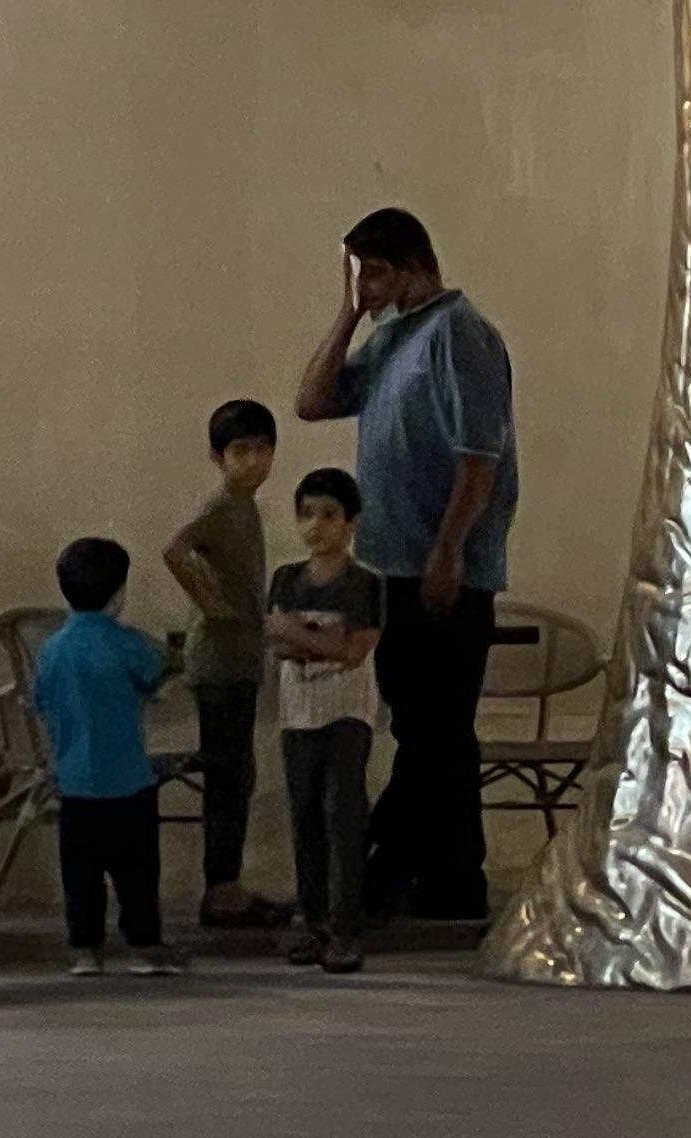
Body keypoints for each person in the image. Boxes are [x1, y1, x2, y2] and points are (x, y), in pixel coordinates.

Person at [294, 205, 520, 923]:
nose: (366, 287)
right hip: (390, 564)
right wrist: (348, 316)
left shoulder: (460, 335)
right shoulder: (394, 336)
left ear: (413, 264)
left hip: (441, 566)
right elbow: (313, 401)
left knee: (434, 727)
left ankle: (383, 870)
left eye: (375, 273)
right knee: (429, 728)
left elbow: (478, 459)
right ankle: (453, 880)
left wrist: (449, 551)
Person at [34, 538, 184, 978]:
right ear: (119, 592)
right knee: (137, 873)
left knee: (80, 877)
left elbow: (40, 701)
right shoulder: (125, 643)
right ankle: (143, 947)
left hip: (74, 783)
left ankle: (86, 951)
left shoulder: (52, 649)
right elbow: (156, 671)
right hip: (128, 782)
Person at [162, 398, 282, 932]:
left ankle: (227, 884)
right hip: (219, 660)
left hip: (240, 658)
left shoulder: (243, 506)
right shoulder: (218, 505)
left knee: (239, 772)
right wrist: (212, 604)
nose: (254, 461)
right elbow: (175, 550)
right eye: (240, 450)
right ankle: (221, 887)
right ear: (218, 456)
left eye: (263, 449)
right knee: (229, 774)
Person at [265, 466, 390, 975]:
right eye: (306, 514)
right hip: (299, 715)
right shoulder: (286, 579)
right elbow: (274, 642)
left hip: (347, 713)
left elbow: (355, 651)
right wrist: (316, 641)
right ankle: (311, 919)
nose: (316, 526)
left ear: (351, 522)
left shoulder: (365, 584)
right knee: (305, 816)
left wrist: (299, 633)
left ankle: (345, 927)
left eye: (329, 515)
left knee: (343, 816)